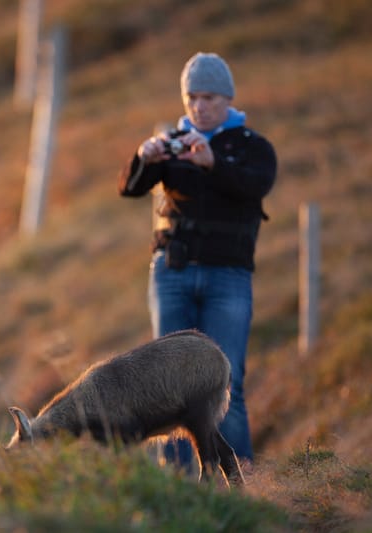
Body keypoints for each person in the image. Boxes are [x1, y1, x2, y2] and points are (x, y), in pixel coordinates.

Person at [117, 52, 276, 466]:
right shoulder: (173, 145)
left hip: (229, 279)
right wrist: (144, 157)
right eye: (191, 98)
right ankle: (182, 490)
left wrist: (213, 164)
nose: (199, 107)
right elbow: (131, 189)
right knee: (167, 386)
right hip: (173, 274)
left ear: (227, 99)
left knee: (227, 384)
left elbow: (255, 186)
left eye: (208, 97)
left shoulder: (251, 147)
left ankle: (239, 484)